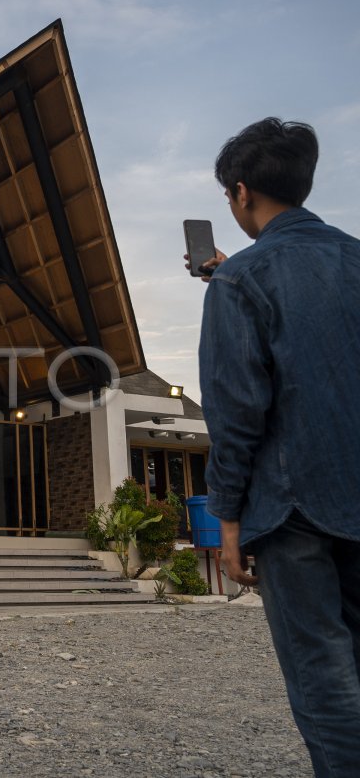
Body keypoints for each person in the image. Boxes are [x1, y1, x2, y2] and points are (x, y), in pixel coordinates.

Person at [198, 117, 360, 776]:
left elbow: (236, 415)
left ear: (240, 194)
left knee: (324, 678)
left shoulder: (239, 281)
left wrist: (226, 517)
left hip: (291, 508)